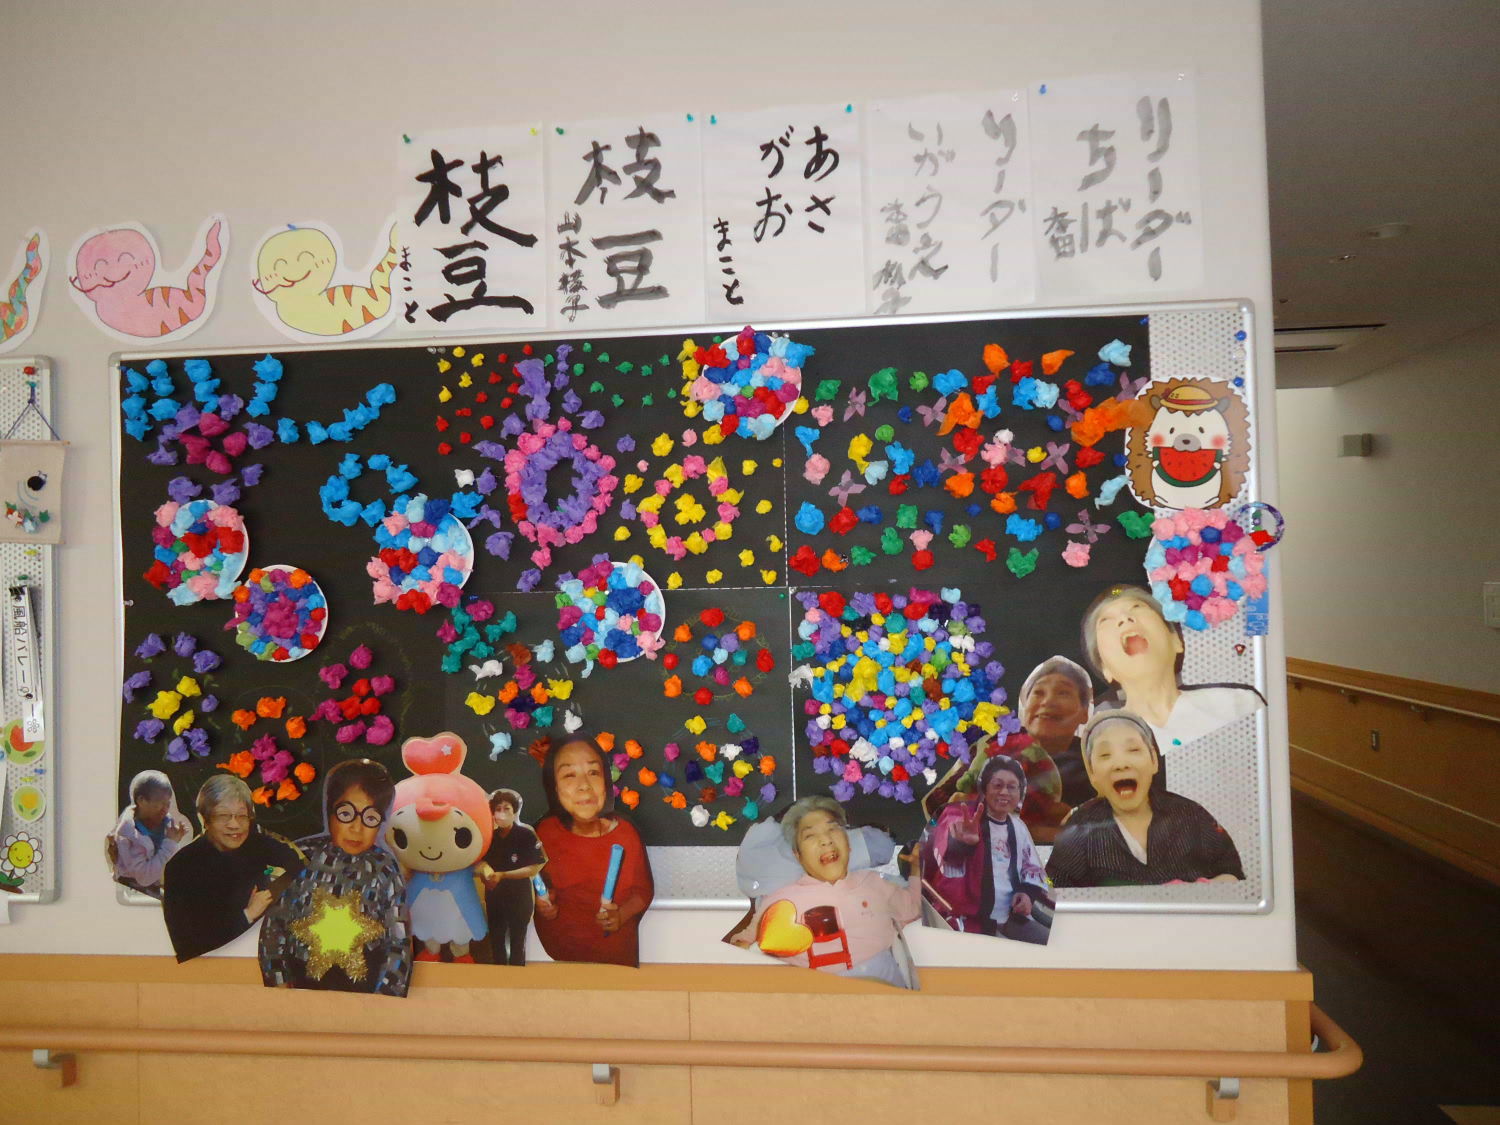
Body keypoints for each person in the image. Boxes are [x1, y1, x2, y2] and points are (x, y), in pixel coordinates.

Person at [258, 759, 412, 995]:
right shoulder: (301, 856)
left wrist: (386, 997)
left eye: (370, 818)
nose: (357, 828)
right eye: (346, 814)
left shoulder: (385, 868)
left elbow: (398, 942)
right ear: (328, 811)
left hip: (365, 992)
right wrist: (278, 983)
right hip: (299, 988)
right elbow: (274, 927)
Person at [734, 796, 922, 989]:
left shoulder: (875, 884)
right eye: (810, 836)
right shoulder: (780, 900)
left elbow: (913, 909)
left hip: (885, 993)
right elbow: (745, 943)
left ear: (849, 843)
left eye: (832, 829)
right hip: (814, 995)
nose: (825, 840)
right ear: (798, 855)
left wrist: (916, 870)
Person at [1047, 712, 1245, 888]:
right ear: (1092, 774)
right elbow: (1051, 890)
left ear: (1153, 761)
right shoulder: (1079, 828)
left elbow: (1233, 874)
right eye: (1105, 755)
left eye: (1133, 750)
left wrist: (1198, 889)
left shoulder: (1191, 815)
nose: (1121, 764)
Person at [1082, 584, 1264, 755]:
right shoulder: (1095, 742)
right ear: (1105, 669)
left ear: (1176, 641)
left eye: (1137, 607)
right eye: (1105, 620)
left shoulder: (1238, 704)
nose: (1125, 619)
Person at [533, 736, 654, 967]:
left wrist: (621, 915)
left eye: (593, 772)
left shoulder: (626, 835)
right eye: (569, 775)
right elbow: (532, 885)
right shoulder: (544, 834)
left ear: (606, 782)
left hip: (615, 959)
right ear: (554, 787)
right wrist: (541, 903)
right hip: (557, 958)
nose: (584, 785)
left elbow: (642, 892)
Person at [162, 774, 300, 962]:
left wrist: (276, 893)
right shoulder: (181, 867)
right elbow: (189, 943)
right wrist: (248, 914)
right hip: (215, 964)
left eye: (242, 816)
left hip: (265, 946)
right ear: (205, 819)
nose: (235, 825)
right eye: (223, 816)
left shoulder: (254, 843)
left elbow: (294, 860)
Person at [922, 756, 1052, 944]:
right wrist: (961, 844)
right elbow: (945, 853)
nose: (1004, 792)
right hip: (969, 923)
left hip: (1011, 918)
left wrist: (1027, 894)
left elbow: (1032, 869)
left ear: (1020, 793)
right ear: (984, 789)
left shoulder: (1018, 827)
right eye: (997, 785)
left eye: (1012, 787)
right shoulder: (960, 816)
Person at [477, 788, 547, 967]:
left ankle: (516, 978)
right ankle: (498, 977)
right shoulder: (489, 838)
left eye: (506, 808)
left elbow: (534, 867)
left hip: (519, 899)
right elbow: (480, 863)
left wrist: (504, 875)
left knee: (517, 943)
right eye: (498, 809)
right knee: (496, 942)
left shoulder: (526, 835)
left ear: (514, 811)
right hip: (495, 899)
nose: (502, 813)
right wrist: (485, 876)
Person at [1019, 656, 1096, 810]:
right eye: (1038, 692)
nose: (1047, 701)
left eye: (1063, 693)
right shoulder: (992, 753)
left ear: (1085, 712)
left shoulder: (1095, 770)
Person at [108, 770, 194, 898]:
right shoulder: (130, 836)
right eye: (160, 803)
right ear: (141, 800)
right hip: (135, 889)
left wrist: (177, 840)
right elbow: (144, 878)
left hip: (157, 883)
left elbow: (166, 860)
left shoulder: (165, 821)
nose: (165, 809)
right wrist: (170, 843)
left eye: (168, 804)